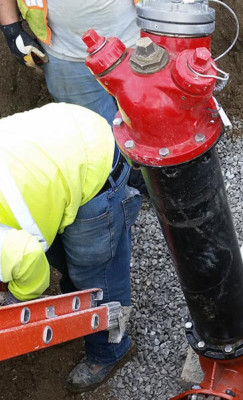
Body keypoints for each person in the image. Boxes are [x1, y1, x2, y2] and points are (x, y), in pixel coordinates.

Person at [0, 103, 141, 393]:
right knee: (61, 258)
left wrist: (16, 299)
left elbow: (27, 258)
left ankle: (111, 351)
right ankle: (76, 302)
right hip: (59, 137)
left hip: (91, 166)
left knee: (97, 276)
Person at [0, 0, 146, 192]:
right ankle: (118, 193)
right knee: (96, 141)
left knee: (148, 125)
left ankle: (151, 183)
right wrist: (11, 28)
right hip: (65, 55)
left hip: (137, 42)